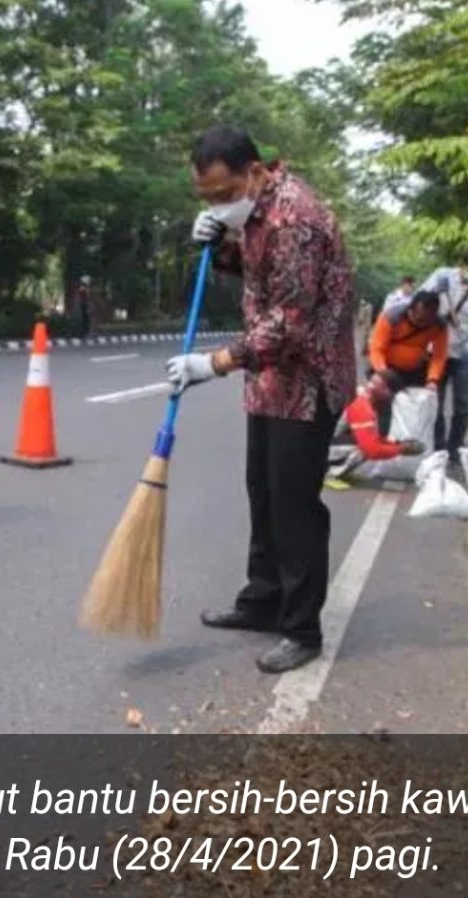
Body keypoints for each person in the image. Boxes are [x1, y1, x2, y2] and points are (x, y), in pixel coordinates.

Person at [164, 126, 356, 675]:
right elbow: (256, 270)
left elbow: (289, 325)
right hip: (271, 382)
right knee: (263, 495)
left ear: (254, 172)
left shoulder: (298, 220)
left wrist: (214, 363)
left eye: (224, 194)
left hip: (308, 381)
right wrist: (219, 245)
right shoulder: (254, 214)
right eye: (206, 199)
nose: (219, 204)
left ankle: (301, 629)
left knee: (294, 506)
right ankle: (262, 600)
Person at [421, 265, 468, 465]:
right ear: (463, 266)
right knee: (436, 401)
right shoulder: (442, 276)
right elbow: (420, 303)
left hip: (464, 354)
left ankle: (456, 448)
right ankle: (437, 446)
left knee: (462, 404)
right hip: (437, 350)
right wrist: (434, 291)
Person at [367, 289, 448, 435]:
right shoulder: (391, 317)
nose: (421, 323)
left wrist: (433, 380)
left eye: (426, 320)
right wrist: (382, 372)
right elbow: (376, 348)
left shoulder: (439, 325)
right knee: (383, 399)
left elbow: (439, 356)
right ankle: (383, 438)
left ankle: (432, 442)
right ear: (411, 309)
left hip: (416, 370)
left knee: (431, 401)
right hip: (388, 368)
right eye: (419, 317)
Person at [327, 372, 425, 481]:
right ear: (385, 390)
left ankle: (332, 467)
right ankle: (329, 473)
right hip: (322, 445)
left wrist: (397, 444)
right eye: (391, 394)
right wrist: (401, 449)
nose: (391, 399)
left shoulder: (364, 397)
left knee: (368, 441)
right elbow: (371, 450)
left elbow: (374, 438)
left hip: (324, 439)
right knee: (364, 449)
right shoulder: (362, 406)